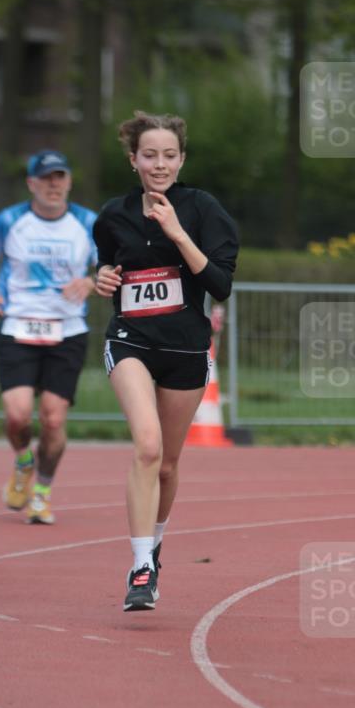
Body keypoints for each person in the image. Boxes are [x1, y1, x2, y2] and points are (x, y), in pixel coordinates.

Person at [94, 111, 238, 611]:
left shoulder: (202, 209)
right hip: (130, 340)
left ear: (182, 160)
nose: (159, 164)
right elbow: (108, 265)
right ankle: (139, 567)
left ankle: (153, 547)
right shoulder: (113, 214)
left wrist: (177, 232)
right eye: (150, 155)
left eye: (169, 156)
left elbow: (220, 284)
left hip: (185, 349)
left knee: (168, 465)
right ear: (133, 160)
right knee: (148, 446)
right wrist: (103, 277)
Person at [0, 150, 97, 524]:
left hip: (67, 329)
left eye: (60, 177)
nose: (53, 185)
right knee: (17, 415)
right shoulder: (11, 220)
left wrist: (91, 281)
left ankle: (41, 493)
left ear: (69, 182)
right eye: (45, 178)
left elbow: (113, 264)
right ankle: (24, 460)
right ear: (31, 183)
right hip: (18, 325)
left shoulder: (88, 222)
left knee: (53, 420)